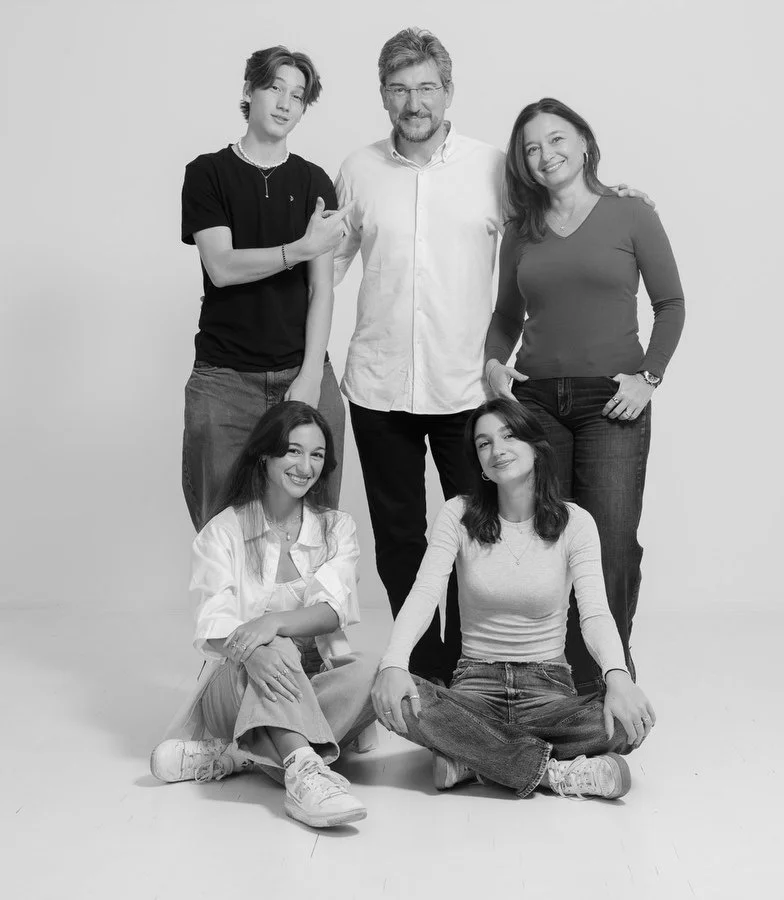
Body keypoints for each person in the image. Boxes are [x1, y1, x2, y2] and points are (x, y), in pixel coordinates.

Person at [334, 29, 652, 686]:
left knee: (480, 540)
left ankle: (480, 666)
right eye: (399, 88)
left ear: (448, 92)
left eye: (426, 87)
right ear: (384, 96)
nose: (413, 101)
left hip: (468, 392)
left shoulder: (490, 167)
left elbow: (557, 204)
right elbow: (326, 266)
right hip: (377, 384)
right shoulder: (358, 170)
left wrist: (616, 198)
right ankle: (429, 670)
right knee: (400, 543)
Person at [484, 98, 685, 695]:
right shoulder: (521, 230)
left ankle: (608, 678)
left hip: (612, 402)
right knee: (548, 540)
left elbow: (670, 305)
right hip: (537, 402)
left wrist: (647, 378)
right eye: (531, 148)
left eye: (556, 139)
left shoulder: (631, 214)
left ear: (584, 141)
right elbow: (504, 315)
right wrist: (494, 366)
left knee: (613, 540)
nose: (546, 155)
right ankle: (558, 675)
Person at [371, 398, 656, 800]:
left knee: (629, 721)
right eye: (484, 443)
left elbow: (594, 614)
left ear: (536, 447)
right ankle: (553, 775)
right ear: (480, 464)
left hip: (548, 689)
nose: (497, 449)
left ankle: (473, 755)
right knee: (391, 697)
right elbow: (425, 592)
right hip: (475, 686)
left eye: (508, 435)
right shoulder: (458, 514)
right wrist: (393, 663)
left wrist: (618, 676)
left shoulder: (576, 523)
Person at [151, 402, 377, 829]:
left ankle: (238, 755)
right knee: (269, 646)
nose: (305, 466)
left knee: (372, 673)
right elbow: (213, 624)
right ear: (265, 455)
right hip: (238, 679)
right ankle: (305, 776)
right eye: (292, 451)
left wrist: (273, 622)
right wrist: (256, 648)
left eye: (316, 455)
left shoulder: (337, 528)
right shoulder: (223, 531)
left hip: (311, 681)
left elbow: (333, 612)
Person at [181, 46, 353, 531]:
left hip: (302, 368)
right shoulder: (207, 173)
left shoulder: (316, 181)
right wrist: (300, 247)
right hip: (224, 379)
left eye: (297, 96)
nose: (284, 102)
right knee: (223, 529)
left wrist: (307, 378)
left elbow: (323, 290)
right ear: (248, 92)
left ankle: (300, 612)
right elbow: (222, 266)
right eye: (274, 87)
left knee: (313, 528)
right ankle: (238, 612)